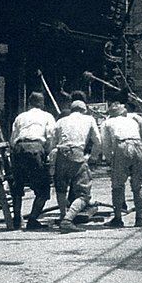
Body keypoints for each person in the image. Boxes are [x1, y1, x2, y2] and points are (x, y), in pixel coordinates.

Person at [9, 92, 56, 229]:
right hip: (35, 148)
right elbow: (51, 137)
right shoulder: (47, 116)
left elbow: (12, 139)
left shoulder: (20, 117)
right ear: (42, 103)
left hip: (18, 148)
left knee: (18, 186)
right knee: (43, 189)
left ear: (29, 103)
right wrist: (46, 154)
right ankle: (32, 220)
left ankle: (17, 218)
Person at [54, 100, 101, 233]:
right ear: (84, 110)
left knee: (61, 188)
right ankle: (67, 220)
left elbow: (52, 140)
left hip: (61, 152)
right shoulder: (89, 119)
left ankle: (63, 215)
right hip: (77, 152)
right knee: (83, 193)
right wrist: (92, 157)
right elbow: (98, 141)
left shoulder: (61, 121)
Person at [100, 102, 142, 228]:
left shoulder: (106, 123)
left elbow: (105, 143)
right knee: (138, 185)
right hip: (138, 146)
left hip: (122, 146)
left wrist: (109, 159)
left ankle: (118, 218)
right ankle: (139, 219)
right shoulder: (132, 121)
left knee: (118, 185)